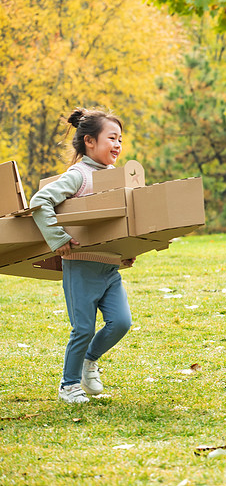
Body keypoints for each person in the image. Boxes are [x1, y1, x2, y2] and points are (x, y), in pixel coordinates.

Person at [30, 108, 134, 404]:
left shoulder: (115, 176)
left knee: (121, 323)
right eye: (111, 138)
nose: (117, 145)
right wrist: (57, 238)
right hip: (80, 266)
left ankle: (90, 360)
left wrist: (126, 252)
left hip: (109, 267)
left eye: (120, 140)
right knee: (84, 328)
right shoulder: (79, 176)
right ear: (90, 141)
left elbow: (119, 222)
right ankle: (69, 385)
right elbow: (40, 201)